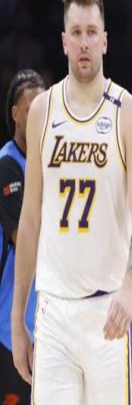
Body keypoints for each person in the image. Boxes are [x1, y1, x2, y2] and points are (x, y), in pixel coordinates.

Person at [11, 0, 132, 404]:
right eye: (76, 32)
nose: (84, 42)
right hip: (53, 310)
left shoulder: (128, 113)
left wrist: (130, 289)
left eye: (92, 32)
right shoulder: (42, 111)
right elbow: (29, 220)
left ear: (105, 40)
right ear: (64, 41)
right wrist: (18, 318)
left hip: (108, 308)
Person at [0, 69, 45, 405]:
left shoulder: (51, 164)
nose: (39, 116)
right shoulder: (8, 165)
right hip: (8, 326)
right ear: (16, 114)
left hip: (44, 325)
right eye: (31, 109)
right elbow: (24, 239)